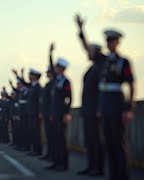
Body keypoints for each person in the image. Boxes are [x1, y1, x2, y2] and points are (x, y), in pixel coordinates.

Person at [99, 29, 135, 180]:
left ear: (117, 42)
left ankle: (123, 176)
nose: (109, 44)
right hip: (105, 104)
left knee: (119, 143)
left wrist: (129, 108)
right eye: (107, 41)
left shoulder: (123, 61)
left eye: (112, 41)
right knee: (109, 142)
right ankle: (113, 175)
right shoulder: (105, 61)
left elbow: (131, 85)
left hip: (117, 103)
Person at [75, 14, 105, 176]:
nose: (87, 52)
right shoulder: (92, 68)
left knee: (96, 140)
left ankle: (98, 167)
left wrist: (81, 30)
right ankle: (91, 165)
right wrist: (80, 29)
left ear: (97, 52)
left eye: (91, 50)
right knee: (90, 140)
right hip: (88, 110)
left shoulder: (101, 66)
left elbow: (102, 91)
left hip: (96, 111)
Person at [46, 57, 72, 171]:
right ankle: (56, 162)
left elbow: (69, 98)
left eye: (57, 67)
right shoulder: (56, 79)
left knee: (62, 140)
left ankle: (63, 164)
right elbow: (51, 66)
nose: (54, 68)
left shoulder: (65, 81)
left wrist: (67, 113)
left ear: (61, 68)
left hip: (61, 114)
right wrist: (50, 54)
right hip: (55, 113)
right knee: (55, 139)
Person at [40, 43, 56, 161]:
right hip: (46, 113)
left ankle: (53, 155)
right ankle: (50, 154)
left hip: (52, 113)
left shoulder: (54, 83)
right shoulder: (48, 85)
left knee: (53, 136)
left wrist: (50, 54)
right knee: (49, 136)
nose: (47, 74)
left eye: (48, 72)